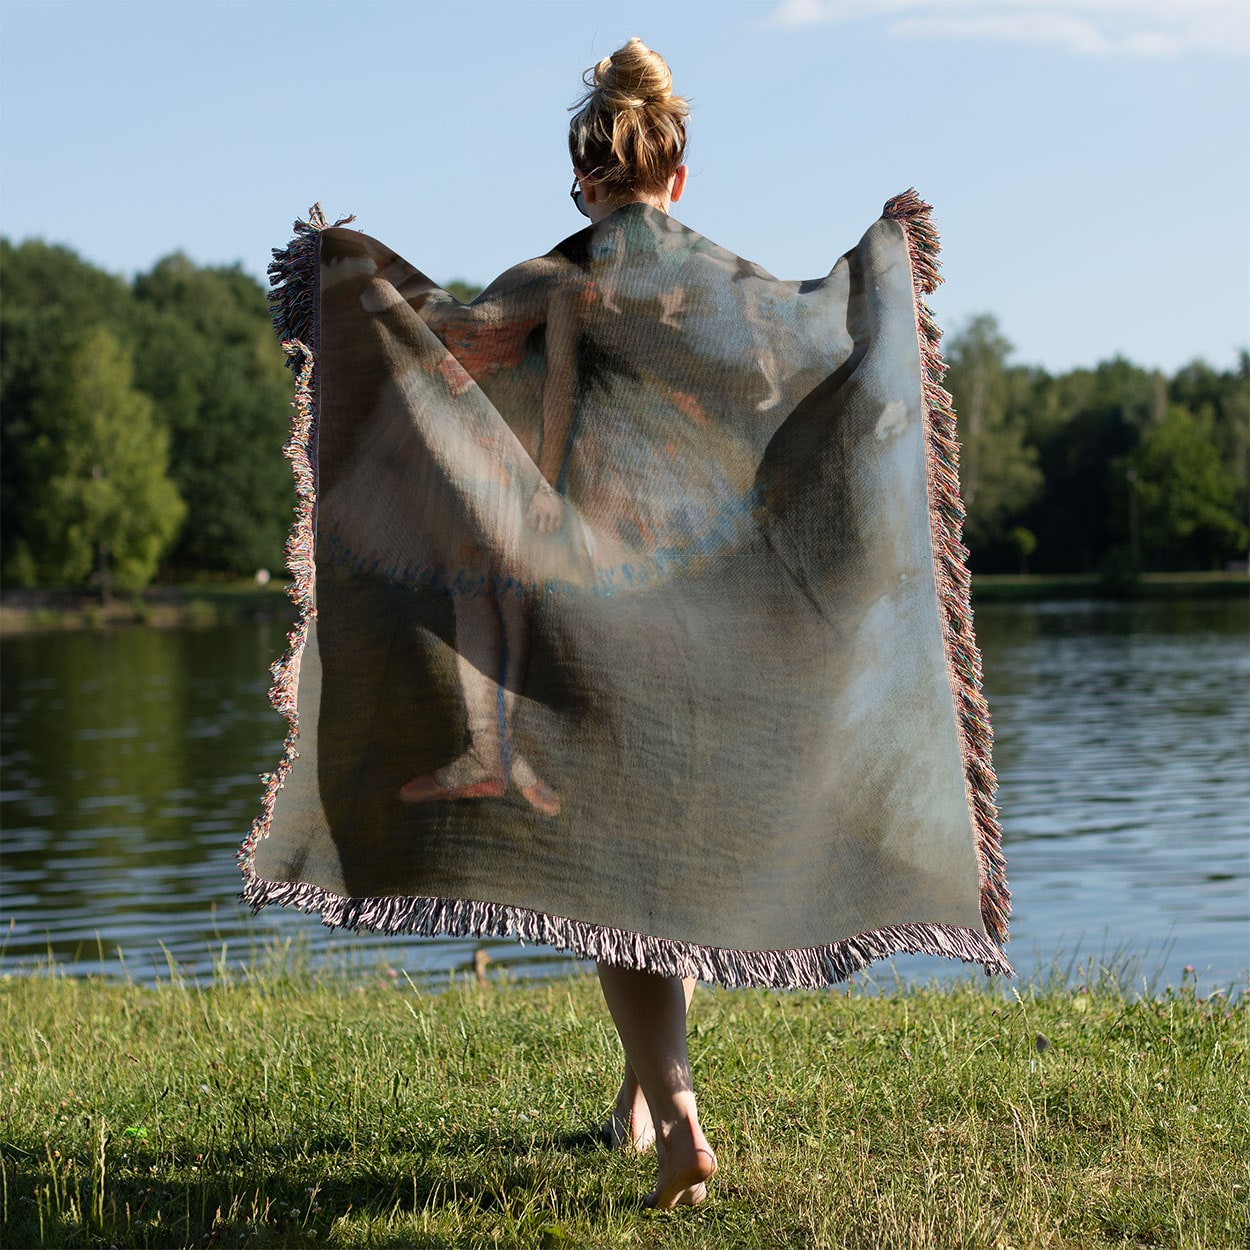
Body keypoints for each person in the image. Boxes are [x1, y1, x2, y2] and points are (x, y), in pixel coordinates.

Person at [565, 37, 718, 1212]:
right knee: (657, 867)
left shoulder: (558, 276)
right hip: (707, 609)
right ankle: (633, 1099)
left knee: (613, 881)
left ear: (589, 180)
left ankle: (676, 1117)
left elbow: (448, 367)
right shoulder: (722, 283)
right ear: (675, 174)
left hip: (595, 601)